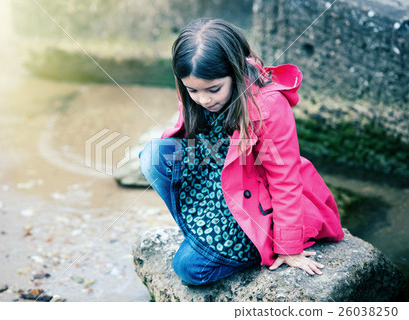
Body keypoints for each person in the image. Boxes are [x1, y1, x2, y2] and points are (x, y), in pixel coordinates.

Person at [139, 18, 344, 286]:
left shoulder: (268, 106)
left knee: (188, 269)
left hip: (256, 199)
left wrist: (288, 245)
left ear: (234, 71)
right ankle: (197, 235)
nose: (203, 100)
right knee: (153, 156)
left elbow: (284, 179)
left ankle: (231, 244)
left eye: (213, 89)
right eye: (192, 91)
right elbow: (191, 139)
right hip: (217, 177)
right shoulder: (196, 89)